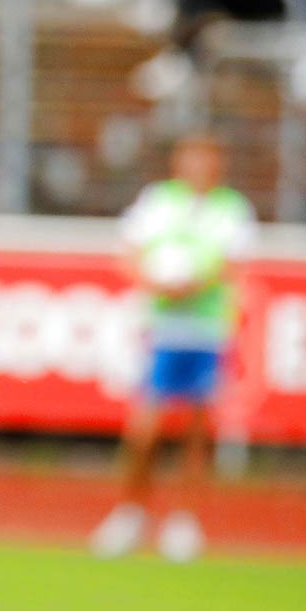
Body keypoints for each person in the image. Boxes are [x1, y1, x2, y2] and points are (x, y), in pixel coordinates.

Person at [90, 133, 255, 564]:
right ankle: (131, 512)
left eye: (206, 157)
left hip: (207, 330)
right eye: (190, 156)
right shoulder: (157, 201)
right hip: (160, 328)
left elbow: (233, 264)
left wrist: (193, 286)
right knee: (144, 428)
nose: (198, 165)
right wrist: (156, 284)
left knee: (198, 430)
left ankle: (185, 521)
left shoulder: (232, 209)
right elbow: (127, 254)